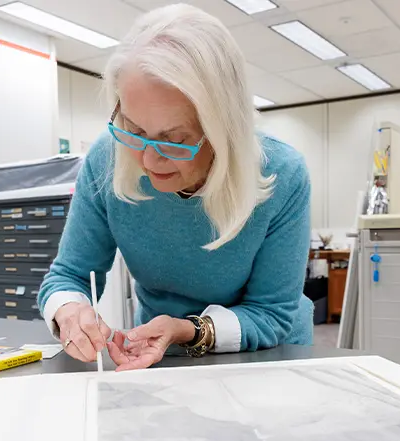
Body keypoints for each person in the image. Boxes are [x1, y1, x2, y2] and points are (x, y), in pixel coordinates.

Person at [38, 4, 313, 371]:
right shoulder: (108, 157)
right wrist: (70, 311)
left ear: (223, 130)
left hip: (267, 355)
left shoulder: (283, 174)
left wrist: (187, 330)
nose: (149, 161)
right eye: (134, 131)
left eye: (174, 141)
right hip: (159, 354)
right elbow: (68, 275)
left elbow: (271, 314)